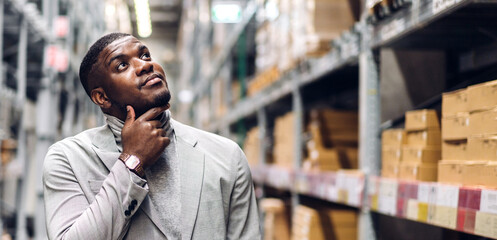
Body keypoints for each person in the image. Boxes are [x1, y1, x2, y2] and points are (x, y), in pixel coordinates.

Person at [43, 32, 261, 240]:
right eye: (122, 65)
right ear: (102, 97)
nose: (145, 65)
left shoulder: (226, 156)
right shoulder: (67, 159)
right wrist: (132, 162)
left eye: (145, 55)